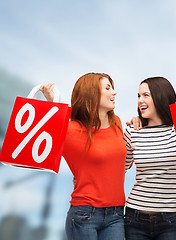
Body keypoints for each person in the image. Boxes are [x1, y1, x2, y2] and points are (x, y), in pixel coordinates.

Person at [40, 73, 127, 240]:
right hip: (84, 215)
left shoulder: (117, 123)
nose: (114, 92)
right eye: (108, 88)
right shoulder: (70, 130)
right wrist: (52, 102)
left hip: (116, 214)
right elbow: (43, 135)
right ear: (91, 93)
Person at [124, 77, 176, 240]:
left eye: (146, 95)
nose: (140, 101)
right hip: (135, 217)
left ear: (160, 97)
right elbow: (119, 168)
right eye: (138, 96)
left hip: (171, 219)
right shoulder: (133, 131)